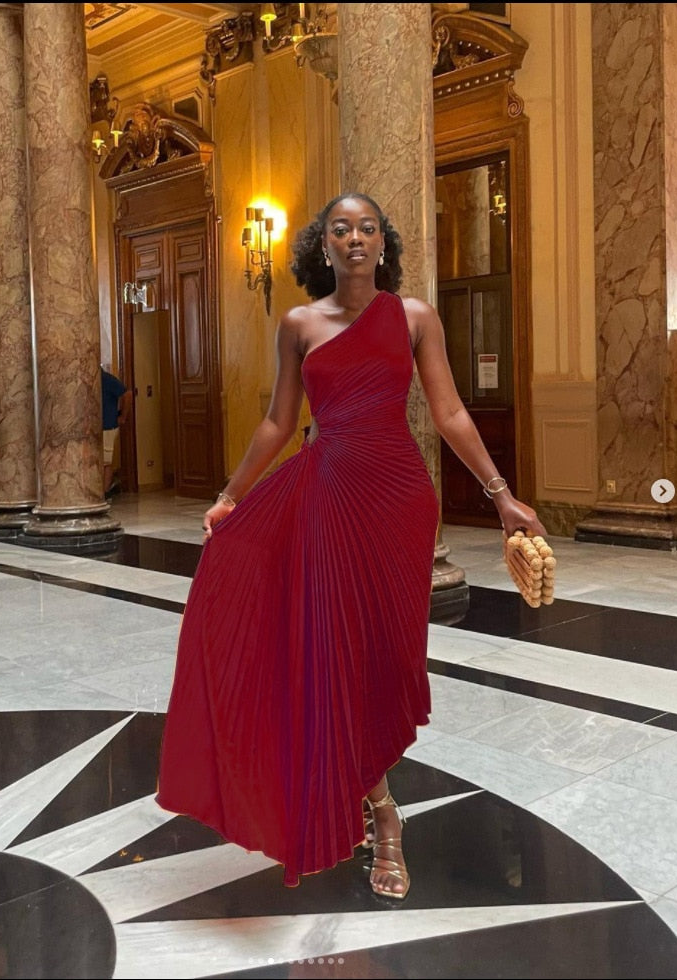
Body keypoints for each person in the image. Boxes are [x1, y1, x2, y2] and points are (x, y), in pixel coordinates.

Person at [155, 192, 546, 900]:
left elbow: (449, 411)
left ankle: (373, 794)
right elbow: (278, 423)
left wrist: (501, 495)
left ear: (383, 244)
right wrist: (231, 496)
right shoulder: (299, 324)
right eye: (342, 229)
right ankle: (384, 812)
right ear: (323, 246)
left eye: (368, 228)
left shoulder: (415, 317)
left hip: (398, 502)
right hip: (327, 498)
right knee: (336, 655)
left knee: (385, 658)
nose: (356, 238)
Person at [101, 366, 131, 495]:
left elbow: (127, 394)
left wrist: (123, 416)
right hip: (97, 426)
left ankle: (105, 491)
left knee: (106, 461)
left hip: (108, 425)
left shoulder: (107, 379)